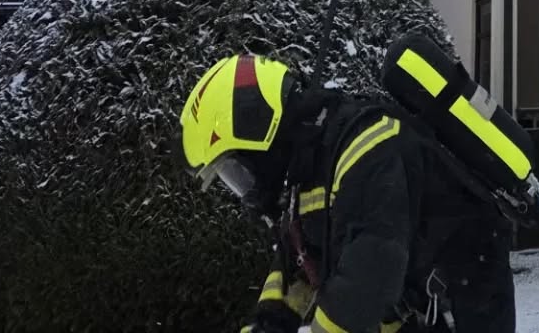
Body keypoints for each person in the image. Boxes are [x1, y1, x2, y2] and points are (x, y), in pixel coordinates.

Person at [180, 54, 517, 333]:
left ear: (259, 133)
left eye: (236, 170)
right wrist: (269, 323)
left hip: (467, 300)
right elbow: (299, 260)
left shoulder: (367, 148)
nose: (244, 189)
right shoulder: (307, 172)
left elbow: (371, 269)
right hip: (416, 308)